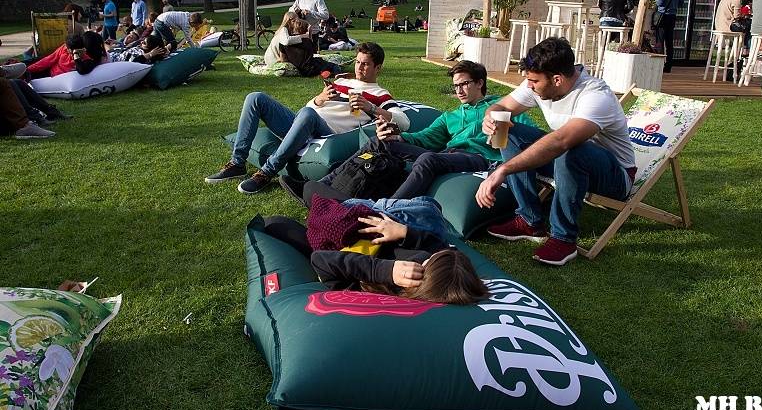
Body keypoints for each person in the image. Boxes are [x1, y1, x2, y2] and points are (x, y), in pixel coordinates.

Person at [475, 37, 636, 267]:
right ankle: (529, 220)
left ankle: (563, 238)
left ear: (557, 79)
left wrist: (502, 170)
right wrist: (491, 116)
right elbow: (501, 106)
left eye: (533, 81)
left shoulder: (596, 96)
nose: (529, 86)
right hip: (566, 158)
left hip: (614, 177)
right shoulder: (540, 79)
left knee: (571, 150)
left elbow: (561, 141)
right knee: (508, 129)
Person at [304, 60, 534, 202]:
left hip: (480, 158)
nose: (459, 90)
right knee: (379, 143)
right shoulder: (450, 116)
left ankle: (388, 209)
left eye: (464, 84)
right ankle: (325, 184)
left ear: (480, 83)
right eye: (455, 86)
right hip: (448, 154)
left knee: (427, 159)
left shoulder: (503, 107)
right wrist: (397, 135)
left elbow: (527, 135)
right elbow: (425, 138)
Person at [205, 42, 409, 194]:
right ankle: (237, 163)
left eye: (365, 64)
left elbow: (403, 121)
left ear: (378, 68)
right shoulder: (342, 81)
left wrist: (371, 107)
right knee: (255, 98)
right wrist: (319, 100)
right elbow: (309, 107)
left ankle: (266, 172)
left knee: (307, 115)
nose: (359, 68)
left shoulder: (380, 94)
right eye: (357, 62)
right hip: (304, 122)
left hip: (326, 133)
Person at [263, 211, 488, 304]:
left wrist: (385, 271)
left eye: (427, 262)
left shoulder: (379, 291)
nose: (425, 259)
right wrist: (405, 233)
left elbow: (321, 260)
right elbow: (439, 246)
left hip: (342, 251)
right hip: (372, 235)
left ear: (420, 280)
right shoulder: (442, 275)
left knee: (275, 223)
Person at [26, 34, 98, 78]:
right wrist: (29, 69)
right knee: (31, 64)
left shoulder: (87, 60)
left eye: (67, 47)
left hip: (54, 77)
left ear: (71, 50)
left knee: (31, 75)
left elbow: (82, 70)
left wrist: (76, 55)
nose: (65, 47)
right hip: (50, 70)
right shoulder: (64, 48)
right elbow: (49, 59)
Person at [654, 0, 683, 73]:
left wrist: (656, 3)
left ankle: (659, 64)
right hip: (673, 16)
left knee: (660, 41)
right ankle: (668, 66)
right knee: (669, 42)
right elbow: (681, 2)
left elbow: (660, 2)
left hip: (662, 16)